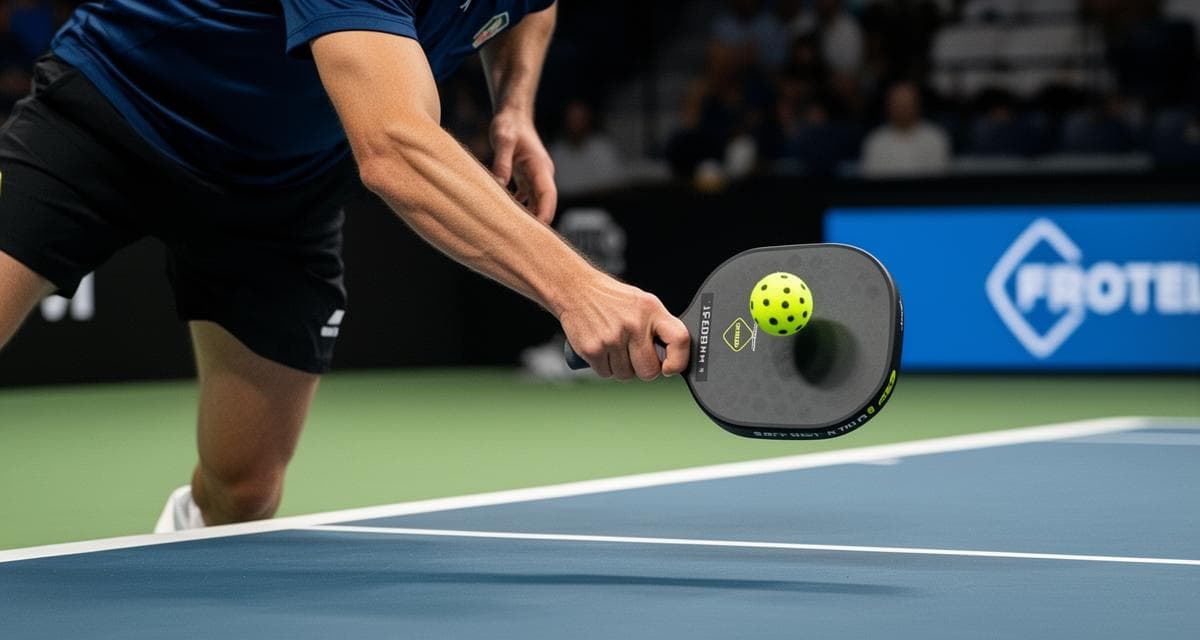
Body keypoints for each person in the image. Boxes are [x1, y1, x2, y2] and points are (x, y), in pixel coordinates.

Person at [0, 0, 690, 532]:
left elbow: (532, 8)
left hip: (283, 190)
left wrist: (514, 108)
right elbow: (393, 144)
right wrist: (578, 289)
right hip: (112, 114)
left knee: (244, 491)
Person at [860, 80, 950, 178]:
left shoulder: (935, 138)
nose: (903, 109)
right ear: (888, 107)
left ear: (918, 104)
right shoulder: (875, 142)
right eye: (898, 104)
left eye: (907, 104)